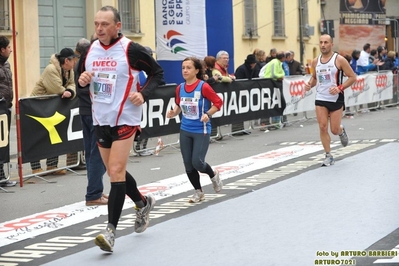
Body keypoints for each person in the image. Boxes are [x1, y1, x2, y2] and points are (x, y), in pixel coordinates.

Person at [77, 6, 164, 252]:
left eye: (105, 24)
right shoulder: (89, 50)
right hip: (100, 119)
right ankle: (142, 202)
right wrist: (83, 81)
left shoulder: (131, 49)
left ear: (117, 26)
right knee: (115, 172)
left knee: (115, 171)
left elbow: (157, 73)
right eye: (96, 24)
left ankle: (110, 232)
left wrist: (143, 93)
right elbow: (80, 81)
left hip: (126, 117)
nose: (99, 29)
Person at [166, 57, 223, 203]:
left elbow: (218, 102)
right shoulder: (180, 88)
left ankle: (213, 175)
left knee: (197, 162)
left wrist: (208, 114)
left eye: (189, 67)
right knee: (188, 164)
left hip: (201, 130)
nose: (185, 70)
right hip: (185, 129)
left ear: (197, 70)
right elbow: (179, 104)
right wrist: (173, 112)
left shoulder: (203, 86)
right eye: (183, 67)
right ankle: (198, 192)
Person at [304, 34, 356, 167]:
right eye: (321, 42)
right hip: (321, 97)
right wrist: (309, 84)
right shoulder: (316, 61)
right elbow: (315, 78)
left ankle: (341, 130)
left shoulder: (339, 60)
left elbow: (352, 77)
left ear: (331, 44)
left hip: (336, 98)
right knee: (322, 127)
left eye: (326, 42)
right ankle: (328, 155)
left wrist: (340, 88)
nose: (323, 45)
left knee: (334, 129)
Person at [30, 47, 78, 175]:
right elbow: (56, 88)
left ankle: (52, 166)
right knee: (37, 137)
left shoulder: (69, 70)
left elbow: (72, 84)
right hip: (37, 106)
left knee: (55, 135)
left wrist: (70, 91)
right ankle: (35, 167)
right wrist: (65, 91)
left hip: (51, 107)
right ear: (66, 60)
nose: (75, 62)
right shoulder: (51, 69)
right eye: (73, 60)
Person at [74, 37, 108, 206]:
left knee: (91, 152)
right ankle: (94, 193)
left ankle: (96, 190)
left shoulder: (82, 62)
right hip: (93, 111)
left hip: (86, 110)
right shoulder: (89, 62)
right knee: (98, 153)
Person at [0, 36, 15, 187]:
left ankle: (2, 176)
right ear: (2, 49)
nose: (11, 49)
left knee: (3, 143)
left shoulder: (7, 65)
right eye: (8, 47)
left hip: (6, 107)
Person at [232, 54, 257, 135]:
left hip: (245, 92)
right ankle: (236, 130)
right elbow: (239, 81)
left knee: (242, 111)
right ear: (251, 63)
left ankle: (241, 129)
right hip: (239, 92)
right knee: (237, 110)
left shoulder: (249, 69)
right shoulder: (242, 69)